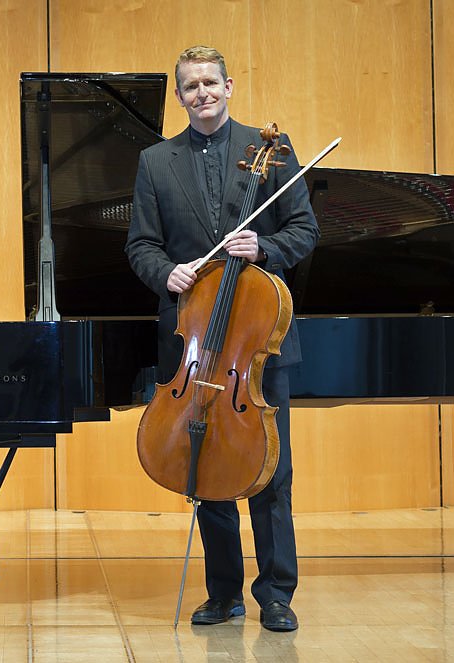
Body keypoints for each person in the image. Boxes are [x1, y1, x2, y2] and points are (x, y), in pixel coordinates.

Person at [125, 46, 319, 632]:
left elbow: (304, 229)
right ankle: (223, 592)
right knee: (206, 466)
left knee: (270, 473)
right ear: (179, 96)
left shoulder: (271, 149)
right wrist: (167, 273)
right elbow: (141, 245)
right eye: (191, 86)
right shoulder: (155, 162)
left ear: (228, 87)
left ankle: (276, 593)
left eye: (211, 82)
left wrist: (264, 247)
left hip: (258, 343)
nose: (202, 93)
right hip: (197, 342)